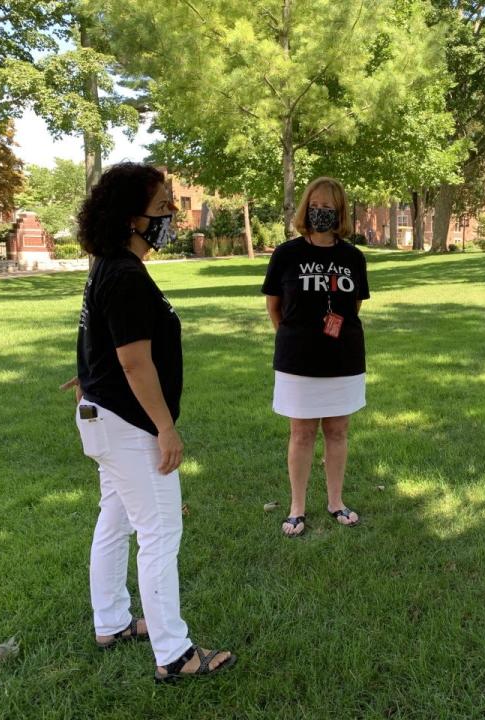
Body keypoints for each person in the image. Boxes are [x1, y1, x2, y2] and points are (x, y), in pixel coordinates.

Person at [62, 163, 235, 681]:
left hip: (103, 417)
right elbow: (136, 363)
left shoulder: (109, 267)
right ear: (130, 217)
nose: (171, 215)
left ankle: (112, 622)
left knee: (114, 520)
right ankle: (175, 655)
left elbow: (102, 339)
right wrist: (166, 427)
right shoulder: (123, 273)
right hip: (128, 425)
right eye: (162, 206)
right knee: (159, 532)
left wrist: (88, 376)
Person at [261, 177, 371, 537]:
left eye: (329, 207)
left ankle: (336, 501)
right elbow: (274, 306)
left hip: (343, 359)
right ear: (305, 207)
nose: (320, 212)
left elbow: (351, 307)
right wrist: (295, 338)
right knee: (302, 432)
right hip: (298, 360)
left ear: (339, 212)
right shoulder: (286, 254)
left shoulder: (353, 257)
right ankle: (297, 507)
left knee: (338, 431)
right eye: (315, 205)